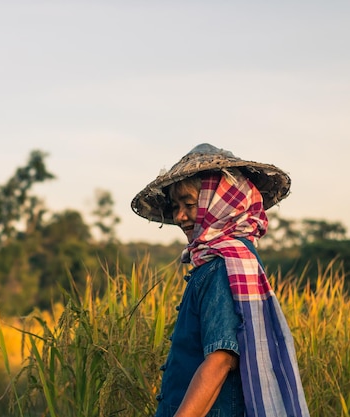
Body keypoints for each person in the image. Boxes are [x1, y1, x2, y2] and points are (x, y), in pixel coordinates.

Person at [131, 143, 310, 417]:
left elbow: (221, 358)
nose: (179, 217)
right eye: (175, 207)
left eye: (189, 205)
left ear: (219, 203)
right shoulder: (230, 260)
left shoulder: (223, 265)